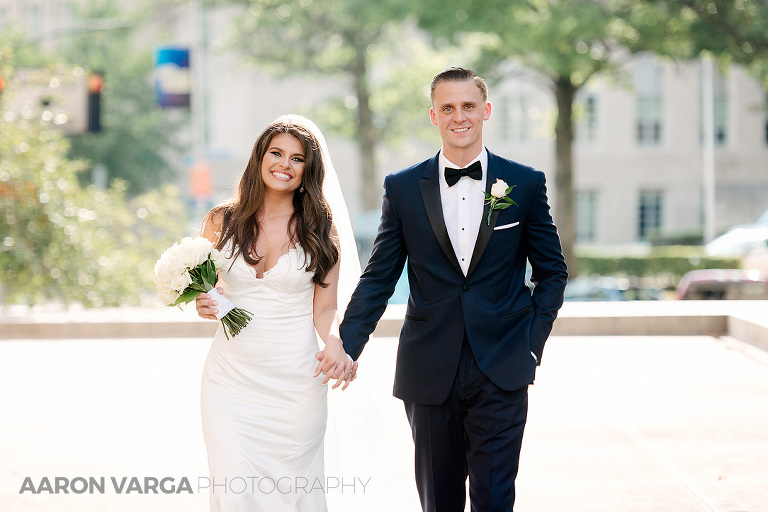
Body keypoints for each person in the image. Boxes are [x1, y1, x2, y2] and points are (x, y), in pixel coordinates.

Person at [326, 67, 568, 511]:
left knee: (495, 499)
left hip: (503, 366)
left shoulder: (525, 183)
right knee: (438, 501)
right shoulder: (402, 188)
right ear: (434, 116)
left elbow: (552, 272)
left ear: (486, 111)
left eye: (469, 106)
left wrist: (531, 344)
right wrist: (347, 343)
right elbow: (380, 275)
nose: (460, 116)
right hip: (429, 368)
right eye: (448, 108)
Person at [194, 115, 359, 512]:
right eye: (277, 153)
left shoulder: (321, 229)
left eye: (297, 159)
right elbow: (206, 291)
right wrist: (202, 302)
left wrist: (335, 344)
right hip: (229, 382)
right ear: (260, 158)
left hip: (295, 384)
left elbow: (326, 308)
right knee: (234, 488)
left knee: (289, 494)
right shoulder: (222, 221)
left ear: (308, 170)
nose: (285, 164)